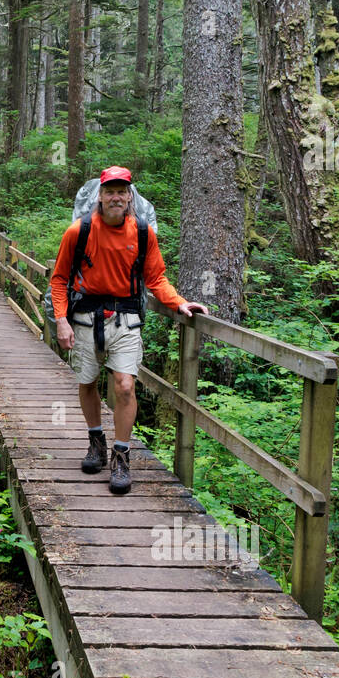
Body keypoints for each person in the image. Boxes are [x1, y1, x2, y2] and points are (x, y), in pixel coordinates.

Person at [49, 166, 209, 493]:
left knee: (124, 386)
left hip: (125, 317)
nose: (116, 197)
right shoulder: (78, 232)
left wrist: (179, 303)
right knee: (87, 381)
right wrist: (61, 319)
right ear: (101, 196)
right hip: (84, 317)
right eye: (110, 192)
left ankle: (121, 455)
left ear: (130, 196)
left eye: (122, 192)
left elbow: (156, 277)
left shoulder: (142, 233)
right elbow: (59, 278)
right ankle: (96, 440)